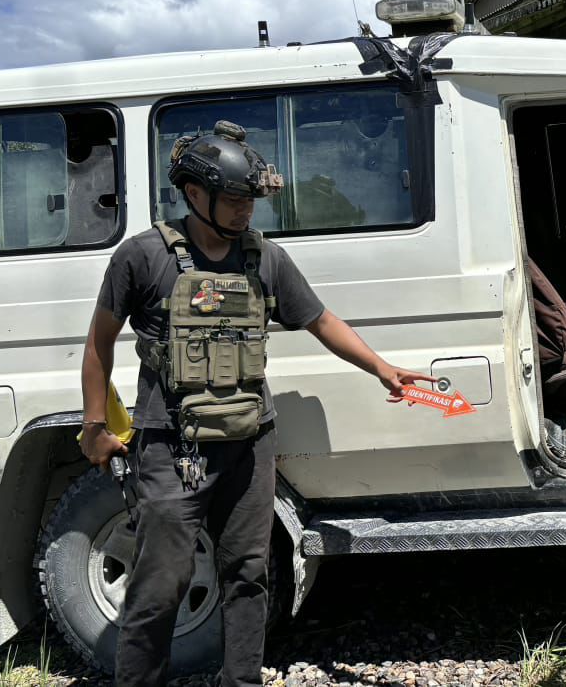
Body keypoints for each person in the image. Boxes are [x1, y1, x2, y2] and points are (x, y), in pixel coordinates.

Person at [78, 120, 432, 686]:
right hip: (172, 448)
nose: (247, 211)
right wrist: (95, 425)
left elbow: (320, 320)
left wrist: (383, 369)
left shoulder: (264, 258)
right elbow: (98, 344)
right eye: (236, 199)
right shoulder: (141, 257)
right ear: (195, 195)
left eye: (251, 200)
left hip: (249, 444)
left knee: (247, 574)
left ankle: (240, 681)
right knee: (158, 583)